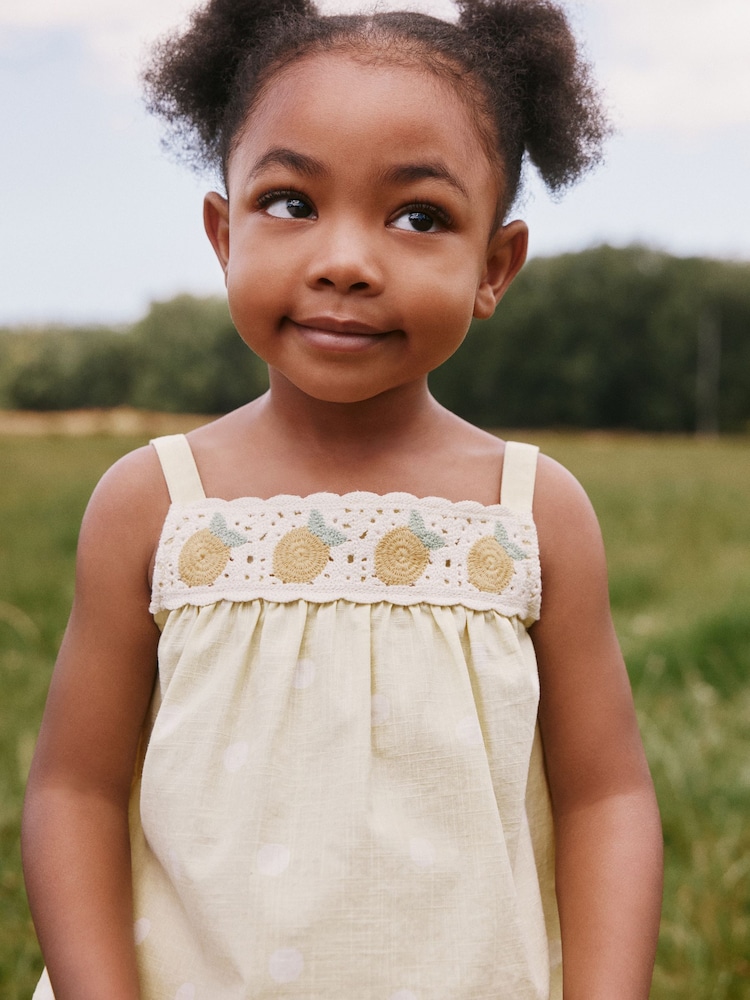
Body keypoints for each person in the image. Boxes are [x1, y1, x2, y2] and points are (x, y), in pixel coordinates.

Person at [22, 0, 663, 997]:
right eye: (291, 202)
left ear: (495, 265)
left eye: (419, 216)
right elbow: (76, 789)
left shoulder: (533, 512)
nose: (346, 262)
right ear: (222, 232)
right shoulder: (152, 503)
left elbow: (606, 796)